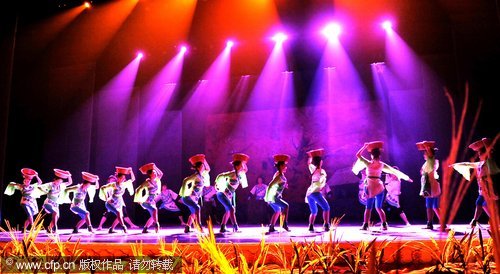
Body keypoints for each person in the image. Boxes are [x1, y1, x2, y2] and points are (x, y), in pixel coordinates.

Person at [354, 141, 412, 231]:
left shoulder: (368, 163)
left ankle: (365, 225)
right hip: (379, 187)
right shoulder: (381, 164)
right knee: (379, 208)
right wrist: (406, 178)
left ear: (372, 155)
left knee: (368, 208)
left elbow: (358, 155)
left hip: (371, 186)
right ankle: (384, 224)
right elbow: (394, 171)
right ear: (379, 155)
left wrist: (364, 147)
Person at [450, 138, 499, 228]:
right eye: (479, 154)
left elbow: (489, 155)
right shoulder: (480, 163)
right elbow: (469, 164)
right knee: (479, 202)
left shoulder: (489, 162)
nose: (479, 155)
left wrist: (486, 144)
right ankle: (475, 221)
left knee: (484, 204)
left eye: (480, 154)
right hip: (483, 188)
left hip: (489, 188)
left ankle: (495, 220)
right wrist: (456, 165)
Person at [215, 153, 250, 233]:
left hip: (229, 195)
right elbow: (220, 175)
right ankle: (235, 227)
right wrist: (216, 184)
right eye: (241, 165)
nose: (242, 167)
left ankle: (222, 228)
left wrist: (243, 161)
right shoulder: (232, 173)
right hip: (222, 194)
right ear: (237, 166)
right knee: (231, 209)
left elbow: (246, 170)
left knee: (228, 211)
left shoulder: (240, 174)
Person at [179, 154, 211, 233]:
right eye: (202, 166)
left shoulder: (201, 175)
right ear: (199, 167)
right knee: (197, 208)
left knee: (193, 213)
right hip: (188, 198)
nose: (204, 167)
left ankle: (187, 227)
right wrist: (183, 193)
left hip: (194, 199)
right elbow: (185, 180)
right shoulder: (196, 175)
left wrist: (204, 160)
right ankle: (199, 226)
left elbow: (208, 169)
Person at [98, 167, 135, 233]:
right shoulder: (113, 184)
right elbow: (102, 188)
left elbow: (133, 179)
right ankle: (123, 226)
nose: (123, 179)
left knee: (120, 215)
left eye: (124, 178)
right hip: (110, 203)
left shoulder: (124, 184)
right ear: (118, 178)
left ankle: (111, 229)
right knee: (119, 213)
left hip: (119, 203)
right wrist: (107, 199)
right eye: (121, 178)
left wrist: (131, 171)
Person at [416, 141, 442, 230]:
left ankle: (438, 223)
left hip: (431, 185)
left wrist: (427, 146)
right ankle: (433, 223)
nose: (424, 155)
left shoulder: (433, 161)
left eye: (425, 153)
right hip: (429, 185)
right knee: (431, 206)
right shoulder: (428, 162)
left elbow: (426, 170)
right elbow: (422, 172)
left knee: (433, 206)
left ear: (429, 154)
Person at [305, 148, 331, 232]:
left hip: (309, 193)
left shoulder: (314, 169)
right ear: (320, 162)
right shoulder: (321, 171)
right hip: (315, 192)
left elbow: (309, 163)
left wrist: (310, 156)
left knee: (314, 211)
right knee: (326, 208)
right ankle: (326, 225)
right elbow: (322, 182)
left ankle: (311, 226)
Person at [39, 168, 72, 233]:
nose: (59, 183)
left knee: (57, 216)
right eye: (58, 181)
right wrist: (45, 191)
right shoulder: (50, 184)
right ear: (55, 180)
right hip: (48, 202)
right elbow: (39, 186)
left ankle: (49, 228)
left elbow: (70, 182)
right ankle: (55, 228)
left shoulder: (61, 185)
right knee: (55, 213)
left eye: (60, 182)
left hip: (55, 203)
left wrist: (69, 176)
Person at [264, 154, 291, 233]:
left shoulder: (280, 175)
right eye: (285, 165)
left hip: (276, 196)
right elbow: (270, 185)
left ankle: (271, 227)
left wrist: (284, 185)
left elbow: (278, 184)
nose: (286, 167)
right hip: (274, 197)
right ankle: (284, 224)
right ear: (281, 166)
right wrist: (267, 197)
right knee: (286, 206)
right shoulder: (278, 175)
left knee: (277, 211)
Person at [134, 163, 163, 233]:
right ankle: (156, 225)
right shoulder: (147, 182)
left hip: (152, 201)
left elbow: (161, 174)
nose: (155, 174)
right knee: (155, 210)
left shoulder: (156, 180)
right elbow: (137, 190)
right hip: (146, 201)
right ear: (150, 174)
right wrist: (139, 200)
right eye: (154, 173)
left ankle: (145, 229)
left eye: (155, 173)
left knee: (153, 216)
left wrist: (154, 167)